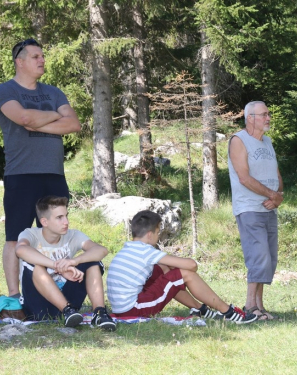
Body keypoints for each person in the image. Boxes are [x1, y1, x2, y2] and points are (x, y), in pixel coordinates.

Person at [0, 38, 81, 303]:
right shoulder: (6, 90)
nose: (41, 60)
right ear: (19, 61)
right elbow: (22, 119)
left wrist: (37, 122)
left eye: (42, 56)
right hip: (21, 175)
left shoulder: (54, 92)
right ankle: (14, 298)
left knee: (58, 235)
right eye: (35, 56)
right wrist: (54, 116)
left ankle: (54, 293)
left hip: (54, 174)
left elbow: (74, 124)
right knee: (15, 237)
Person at [106, 210, 258, 324]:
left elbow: (165, 270)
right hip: (134, 309)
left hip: (122, 308)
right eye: (158, 233)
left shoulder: (128, 248)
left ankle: (200, 308)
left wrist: (168, 270)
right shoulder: (146, 251)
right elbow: (191, 265)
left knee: (165, 271)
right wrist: (175, 271)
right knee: (184, 274)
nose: (158, 237)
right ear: (150, 234)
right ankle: (229, 313)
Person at [15, 196, 116, 330]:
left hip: (70, 303)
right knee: (33, 263)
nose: (66, 222)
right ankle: (66, 310)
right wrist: (57, 267)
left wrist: (73, 261)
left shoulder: (72, 235)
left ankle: (99, 313)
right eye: (59, 217)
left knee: (93, 262)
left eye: (66, 216)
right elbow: (21, 250)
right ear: (44, 221)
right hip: (38, 306)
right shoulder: (31, 234)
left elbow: (101, 250)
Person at [227, 101, 283, 321]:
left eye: (269, 114)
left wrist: (278, 196)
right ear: (250, 117)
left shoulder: (267, 141)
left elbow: (276, 172)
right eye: (264, 114)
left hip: (269, 207)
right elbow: (244, 177)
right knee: (258, 257)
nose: (268, 118)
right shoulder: (239, 141)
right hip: (250, 208)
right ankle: (250, 307)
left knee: (269, 258)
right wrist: (271, 195)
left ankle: (260, 305)